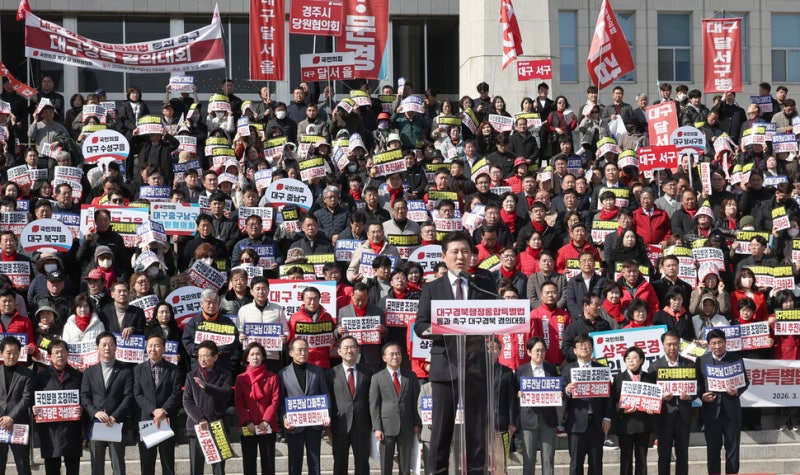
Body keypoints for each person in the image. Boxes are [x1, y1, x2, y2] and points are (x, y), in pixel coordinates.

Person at [414, 231, 497, 475]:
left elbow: (495, 315)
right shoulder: (432, 288)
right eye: (455, 252)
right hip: (445, 368)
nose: (460, 257)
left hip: (476, 368)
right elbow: (420, 326)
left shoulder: (483, 284)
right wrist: (445, 329)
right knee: (441, 431)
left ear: (472, 255)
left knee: (476, 430)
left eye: (465, 252)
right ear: (444, 256)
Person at [696, 328, 749, 475]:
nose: (717, 346)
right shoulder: (702, 360)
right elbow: (698, 384)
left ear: (726, 343)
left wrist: (737, 391)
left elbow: (745, 382)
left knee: (732, 451)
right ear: (708, 344)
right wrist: (702, 395)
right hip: (711, 412)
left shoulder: (736, 359)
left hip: (732, 412)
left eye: (720, 342)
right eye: (713, 343)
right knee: (713, 450)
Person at [80, 331, 134, 475]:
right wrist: (95, 412)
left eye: (111, 344)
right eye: (103, 344)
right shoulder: (89, 372)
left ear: (116, 347)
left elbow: (128, 396)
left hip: (115, 423)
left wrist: (115, 416)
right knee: (96, 466)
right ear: (97, 348)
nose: (107, 348)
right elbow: (84, 396)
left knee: (118, 465)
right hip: (96, 423)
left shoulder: (125, 371)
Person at [562, 333, 613, 475]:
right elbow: (561, 392)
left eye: (587, 345)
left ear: (592, 348)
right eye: (580, 345)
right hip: (576, 423)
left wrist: (607, 417)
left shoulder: (601, 369)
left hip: (597, 423)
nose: (584, 347)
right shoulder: (568, 369)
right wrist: (567, 390)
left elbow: (608, 396)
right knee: (576, 464)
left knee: (596, 464)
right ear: (574, 350)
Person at [279, 338, 330, 475]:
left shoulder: (317, 371)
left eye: (306, 350)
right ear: (291, 353)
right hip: (294, 425)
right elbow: (281, 401)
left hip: (315, 424)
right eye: (299, 350)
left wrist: (326, 415)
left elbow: (325, 394)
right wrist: (284, 418)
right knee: (294, 463)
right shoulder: (283, 373)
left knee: (315, 462)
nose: (303, 353)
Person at [369, 342, 422, 475]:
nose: (395, 357)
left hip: (407, 425)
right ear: (384, 357)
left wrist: (417, 423)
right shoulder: (377, 378)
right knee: (386, 465)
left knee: (405, 465)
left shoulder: (411, 376)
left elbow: (416, 401)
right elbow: (374, 405)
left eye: (398, 354)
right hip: (386, 427)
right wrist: (377, 428)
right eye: (391, 354)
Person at [134, 333, 182, 475]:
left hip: (166, 420)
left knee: (168, 462)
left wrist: (163, 410)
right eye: (149, 346)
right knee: (147, 463)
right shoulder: (138, 369)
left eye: (156, 345)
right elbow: (137, 394)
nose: (152, 349)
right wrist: (153, 410)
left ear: (163, 348)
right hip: (147, 420)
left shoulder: (174, 369)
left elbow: (176, 393)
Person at [183, 340, 233, 475]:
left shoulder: (225, 374)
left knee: (219, 469)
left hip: (218, 425)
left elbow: (226, 394)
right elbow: (187, 401)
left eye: (206, 356)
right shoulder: (191, 375)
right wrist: (200, 419)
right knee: (196, 468)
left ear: (215, 357)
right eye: (200, 356)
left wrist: (207, 387)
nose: (202, 359)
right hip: (197, 427)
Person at [33, 339, 83, 475]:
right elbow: (33, 399)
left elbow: (85, 399)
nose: (60, 355)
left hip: (72, 430)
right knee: (52, 470)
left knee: (73, 469)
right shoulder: (40, 377)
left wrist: (82, 409)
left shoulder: (78, 376)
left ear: (68, 354)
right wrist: (34, 409)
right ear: (49, 356)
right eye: (56, 352)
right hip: (50, 431)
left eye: (63, 351)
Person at [326, 336, 373, 475]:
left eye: (352, 347)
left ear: (358, 350)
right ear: (339, 351)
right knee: (340, 463)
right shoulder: (330, 374)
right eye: (345, 347)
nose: (349, 350)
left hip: (362, 425)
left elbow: (372, 399)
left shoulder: (368, 373)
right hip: (339, 423)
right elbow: (328, 399)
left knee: (363, 464)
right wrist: (328, 424)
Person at [513, 336, 558, 475]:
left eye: (543, 350)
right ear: (528, 352)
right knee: (529, 459)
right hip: (528, 418)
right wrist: (518, 394)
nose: (540, 354)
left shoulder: (551, 369)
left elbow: (559, 387)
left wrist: (559, 393)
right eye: (537, 350)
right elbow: (514, 393)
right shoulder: (521, 370)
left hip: (548, 419)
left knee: (548, 459)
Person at [234, 342, 280, 475]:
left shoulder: (272, 377)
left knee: (268, 463)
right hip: (248, 426)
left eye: (258, 354)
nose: (255, 357)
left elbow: (275, 400)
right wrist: (247, 422)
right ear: (247, 358)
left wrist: (266, 421)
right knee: (249, 463)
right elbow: (239, 402)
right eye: (252, 354)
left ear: (263, 357)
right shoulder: (241, 378)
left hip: (267, 426)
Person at [612, 346, 655, 475]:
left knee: (642, 458)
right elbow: (613, 402)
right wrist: (623, 410)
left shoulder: (649, 378)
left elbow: (655, 398)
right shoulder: (618, 378)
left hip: (644, 424)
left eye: (634, 358)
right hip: (626, 425)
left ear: (641, 360)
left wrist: (653, 407)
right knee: (626, 458)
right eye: (628, 358)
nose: (631, 361)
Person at [237, 277, 289, 374]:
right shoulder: (244, 310)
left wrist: (285, 337)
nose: (261, 292)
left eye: (264, 288)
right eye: (257, 289)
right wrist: (241, 337)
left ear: (268, 290)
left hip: (272, 356)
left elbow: (286, 330)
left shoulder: (277, 309)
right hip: (252, 358)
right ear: (251, 291)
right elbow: (239, 331)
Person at [0, 336, 33, 475]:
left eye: (15, 352)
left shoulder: (27, 373)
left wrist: (11, 417)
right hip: (0, 423)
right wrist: (3, 418)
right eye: (8, 352)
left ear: (20, 354)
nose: (12, 356)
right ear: (1, 353)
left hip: (19, 423)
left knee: (23, 464)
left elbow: (27, 398)